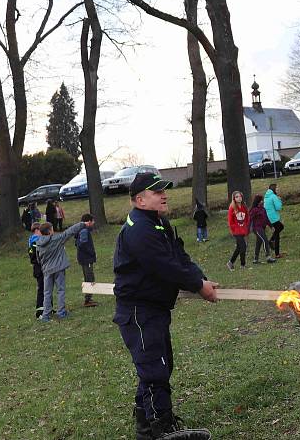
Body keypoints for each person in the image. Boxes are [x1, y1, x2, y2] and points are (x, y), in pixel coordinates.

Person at [113, 172, 216, 439]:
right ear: (140, 199)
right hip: (138, 312)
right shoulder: (139, 229)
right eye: (157, 192)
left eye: (163, 191)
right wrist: (197, 286)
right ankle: (162, 429)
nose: (164, 195)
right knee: (154, 369)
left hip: (155, 309)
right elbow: (164, 266)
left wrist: (200, 278)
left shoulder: (159, 222)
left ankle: (146, 427)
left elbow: (179, 256)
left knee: (160, 365)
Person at [36, 220, 86, 322]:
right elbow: (69, 232)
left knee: (47, 292)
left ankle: (46, 315)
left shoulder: (38, 243)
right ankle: (61, 312)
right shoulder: (56, 239)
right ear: (49, 231)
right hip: (58, 268)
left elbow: (38, 259)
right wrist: (82, 224)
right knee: (60, 290)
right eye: (52, 229)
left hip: (47, 270)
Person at [76, 213, 98, 308]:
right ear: (89, 221)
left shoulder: (81, 230)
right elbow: (82, 244)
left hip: (84, 258)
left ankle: (89, 298)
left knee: (88, 277)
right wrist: (91, 253)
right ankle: (87, 300)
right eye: (93, 221)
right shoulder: (84, 231)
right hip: (86, 259)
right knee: (90, 278)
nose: (93, 223)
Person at [226, 191, 249, 271]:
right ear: (234, 198)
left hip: (243, 230)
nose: (239, 198)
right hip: (236, 232)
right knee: (243, 246)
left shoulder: (244, 206)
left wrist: (246, 227)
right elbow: (230, 221)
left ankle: (230, 263)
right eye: (236, 197)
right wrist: (234, 229)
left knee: (239, 248)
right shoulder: (232, 208)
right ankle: (243, 265)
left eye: (240, 196)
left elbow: (247, 218)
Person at [250, 194, 275, 264]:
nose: (262, 201)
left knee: (259, 242)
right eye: (261, 200)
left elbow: (266, 219)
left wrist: (271, 226)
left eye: (262, 200)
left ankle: (255, 259)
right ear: (258, 201)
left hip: (262, 228)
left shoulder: (263, 209)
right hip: (257, 228)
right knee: (265, 240)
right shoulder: (254, 210)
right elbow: (249, 218)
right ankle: (268, 257)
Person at [28, 222, 44, 318]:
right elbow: (36, 257)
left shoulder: (32, 240)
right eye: (41, 231)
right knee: (42, 289)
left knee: (46, 288)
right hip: (39, 268)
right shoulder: (35, 241)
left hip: (40, 268)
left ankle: (48, 308)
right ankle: (39, 312)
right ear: (37, 230)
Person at [264, 184, 285, 258]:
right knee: (277, 235)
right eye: (277, 188)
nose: (278, 189)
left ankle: (271, 240)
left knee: (280, 227)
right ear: (274, 189)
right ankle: (277, 254)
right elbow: (278, 208)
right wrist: (279, 199)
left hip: (269, 217)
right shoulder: (273, 196)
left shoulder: (266, 196)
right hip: (274, 217)